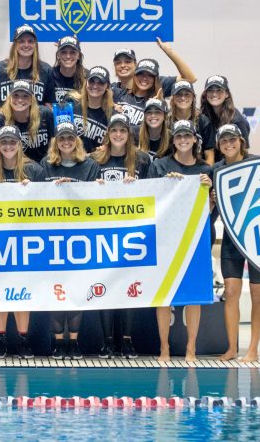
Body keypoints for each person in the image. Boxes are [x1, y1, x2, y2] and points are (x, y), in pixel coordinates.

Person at [148, 120, 213, 362]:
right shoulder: (160, 166)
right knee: (164, 297)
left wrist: (209, 190)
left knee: (193, 297)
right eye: (178, 136)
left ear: (195, 139)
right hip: (165, 240)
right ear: (173, 140)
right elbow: (150, 200)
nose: (183, 140)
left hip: (195, 240)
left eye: (187, 136)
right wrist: (168, 186)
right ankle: (164, 347)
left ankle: (191, 348)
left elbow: (211, 210)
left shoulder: (206, 171)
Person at [39, 121, 101, 360]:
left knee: (76, 290)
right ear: (56, 141)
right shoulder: (46, 165)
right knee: (57, 292)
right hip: (53, 238)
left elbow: (95, 199)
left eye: (70, 138)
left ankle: (73, 342)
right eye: (62, 138)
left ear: (77, 141)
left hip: (80, 238)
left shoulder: (90, 166)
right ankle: (57, 343)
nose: (66, 142)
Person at [90, 113, 150, 359]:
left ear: (129, 134)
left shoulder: (142, 160)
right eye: (113, 130)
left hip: (132, 233)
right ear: (108, 133)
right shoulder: (95, 160)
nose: (118, 135)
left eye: (122, 131)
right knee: (105, 287)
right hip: (102, 234)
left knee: (128, 288)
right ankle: (106, 342)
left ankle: (126, 341)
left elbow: (156, 191)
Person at [0, 125, 44, 359]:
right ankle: (0, 339)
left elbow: (48, 202)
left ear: (20, 145)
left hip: (25, 241)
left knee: (22, 291)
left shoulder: (33, 171)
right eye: (4, 142)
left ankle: (22, 339)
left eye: (13, 142)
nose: (8, 146)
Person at [211, 124, 260, 363]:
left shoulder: (257, 163)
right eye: (224, 141)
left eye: (232, 140)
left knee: (258, 293)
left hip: (257, 238)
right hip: (233, 240)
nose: (228, 144)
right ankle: (232, 348)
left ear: (241, 141)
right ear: (219, 146)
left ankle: (253, 349)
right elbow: (208, 206)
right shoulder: (216, 170)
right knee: (231, 293)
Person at [0, 24, 54, 112]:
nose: (26, 45)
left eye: (30, 41)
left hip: (35, 124)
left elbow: (49, 104)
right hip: (6, 123)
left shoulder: (46, 70)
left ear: (35, 44)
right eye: (21, 41)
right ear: (15, 45)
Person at [0, 79, 55, 163]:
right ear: (9, 98)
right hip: (15, 168)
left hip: (43, 167)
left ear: (32, 99)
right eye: (16, 95)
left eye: (25, 96)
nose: (20, 100)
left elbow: (54, 141)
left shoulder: (45, 114)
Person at [112, 39, 197, 97]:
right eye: (118, 62)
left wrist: (169, 51)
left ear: (136, 65)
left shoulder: (154, 83)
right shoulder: (111, 89)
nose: (123, 65)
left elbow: (190, 79)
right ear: (114, 67)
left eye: (127, 61)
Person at [200, 75, 251, 157]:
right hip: (212, 166)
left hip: (229, 167)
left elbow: (244, 153)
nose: (214, 94)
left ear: (227, 94)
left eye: (219, 90)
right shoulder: (204, 117)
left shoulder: (237, 121)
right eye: (210, 90)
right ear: (205, 94)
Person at [167, 80, 216, 164]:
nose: (183, 98)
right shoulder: (166, 121)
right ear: (173, 98)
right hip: (171, 171)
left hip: (197, 171)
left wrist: (206, 173)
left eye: (187, 94)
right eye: (179, 94)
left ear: (193, 97)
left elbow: (210, 155)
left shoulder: (203, 121)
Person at [71, 66, 114, 153]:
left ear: (107, 86)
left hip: (94, 163)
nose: (95, 86)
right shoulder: (71, 102)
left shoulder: (111, 114)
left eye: (100, 83)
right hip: (70, 159)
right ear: (86, 83)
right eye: (91, 81)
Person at [113, 58, 163, 127]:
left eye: (150, 75)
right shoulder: (118, 94)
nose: (145, 78)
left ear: (155, 79)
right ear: (135, 75)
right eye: (141, 74)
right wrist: (111, 106)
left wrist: (155, 108)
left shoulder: (158, 104)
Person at [51, 36, 86, 103]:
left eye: (72, 52)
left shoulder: (87, 77)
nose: (68, 56)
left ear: (78, 55)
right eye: (64, 52)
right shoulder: (50, 75)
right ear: (58, 55)